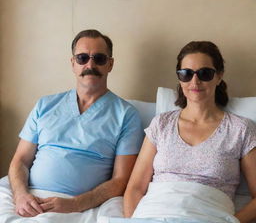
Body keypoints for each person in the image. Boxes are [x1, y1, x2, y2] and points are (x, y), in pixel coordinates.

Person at [8, 29, 144, 217]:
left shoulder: (126, 115)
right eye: (82, 58)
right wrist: (21, 195)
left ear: (110, 64)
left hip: (81, 205)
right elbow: (20, 161)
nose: (90, 64)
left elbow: (121, 180)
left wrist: (75, 204)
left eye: (99, 58)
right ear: (73, 63)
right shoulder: (45, 105)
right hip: (29, 197)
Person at [123, 41, 256, 223]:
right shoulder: (161, 124)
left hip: (208, 216)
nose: (195, 81)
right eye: (186, 74)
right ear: (179, 78)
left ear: (219, 76)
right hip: (152, 214)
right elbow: (135, 188)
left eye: (205, 73)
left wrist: (232, 222)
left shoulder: (240, 129)